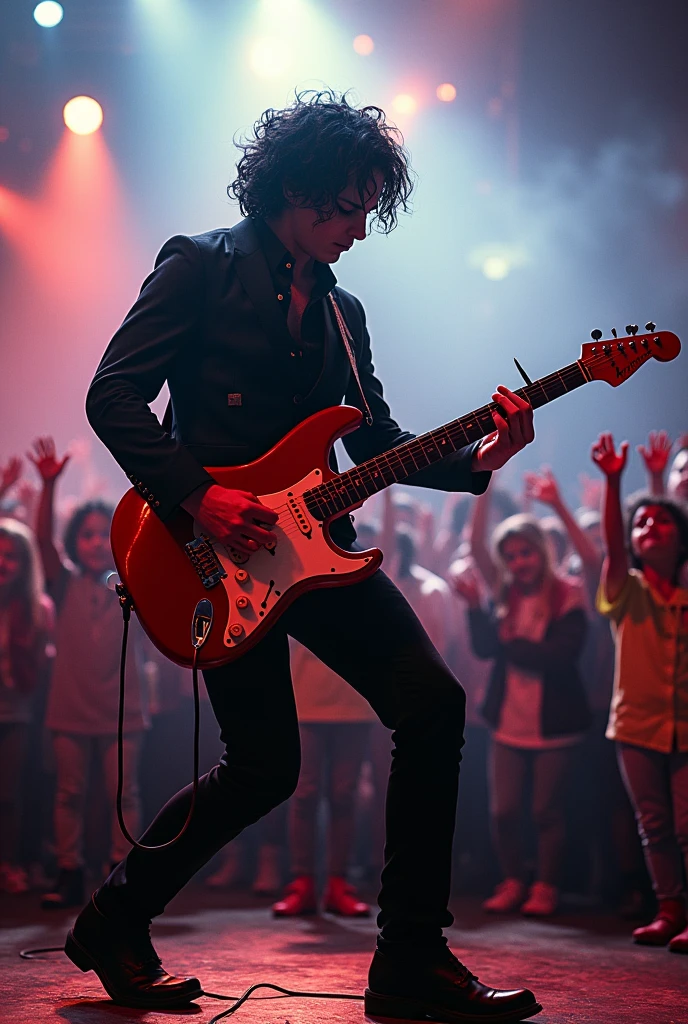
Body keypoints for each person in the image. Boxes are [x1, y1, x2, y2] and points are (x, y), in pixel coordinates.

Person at [68, 91, 541, 1022]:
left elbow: (378, 442)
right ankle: (115, 921)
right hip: (211, 553)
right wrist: (197, 494)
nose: (363, 227)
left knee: (433, 706)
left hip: (316, 549)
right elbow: (112, 394)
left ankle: (409, 955)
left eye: (372, 207)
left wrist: (479, 464)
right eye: (353, 204)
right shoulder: (198, 265)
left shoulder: (340, 308)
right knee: (266, 768)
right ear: (299, 186)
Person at [456, 485, 590, 917]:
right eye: (510, 556)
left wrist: (509, 641)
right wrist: (477, 608)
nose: (518, 563)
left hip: (556, 721)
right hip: (507, 721)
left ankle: (546, 886)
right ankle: (513, 879)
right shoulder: (505, 593)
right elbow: (485, 649)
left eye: (525, 553)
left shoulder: (568, 592)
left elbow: (560, 657)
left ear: (542, 552)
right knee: (505, 811)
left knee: (546, 812)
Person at [30, 437, 148, 909]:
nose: (98, 543)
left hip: (124, 708)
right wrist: (49, 486)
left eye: (106, 534)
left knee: (125, 793)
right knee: (69, 792)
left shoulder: (134, 582)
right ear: (75, 541)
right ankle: (69, 871)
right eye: (88, 534)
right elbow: (41, 542)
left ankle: (122, 875)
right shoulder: (64, 581)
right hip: (70, 706)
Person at [592, 432, 688, 952]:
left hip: (686, 725)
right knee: (654, 825)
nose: (651, 526)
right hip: (636, 725)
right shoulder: (624, 590)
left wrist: (658, 482)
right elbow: (610, 543)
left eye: (663, 519)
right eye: (641, 523)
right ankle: (669, 910)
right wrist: (613, 481)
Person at [0, 518, 53, 893]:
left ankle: (9, 863)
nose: (3, 563)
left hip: (16, 712)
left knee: (8, 795)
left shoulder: (37, 608)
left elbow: (38, 674)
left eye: (11, 557)